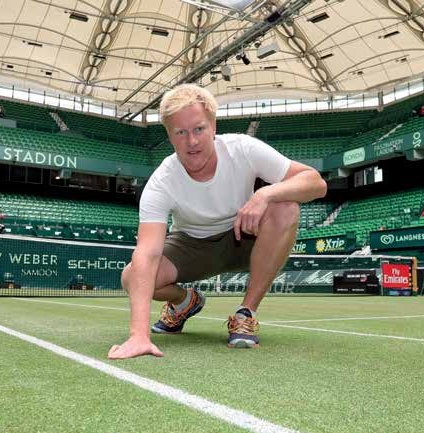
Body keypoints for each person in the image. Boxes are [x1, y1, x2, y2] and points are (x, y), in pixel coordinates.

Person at [108, 84, 327, 360]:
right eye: (181, 132)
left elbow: (315, 182)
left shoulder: (243, 149)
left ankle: (245, 313)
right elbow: (147, 253)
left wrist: (265, 193)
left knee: (285, 206)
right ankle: (185, 302)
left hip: (244, 235)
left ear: (213, 126)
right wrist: (139, 335)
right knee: (131, 276)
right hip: (192, 246)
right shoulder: (162, 182)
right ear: (170, 136)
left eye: (199, 129)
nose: (192, 141)